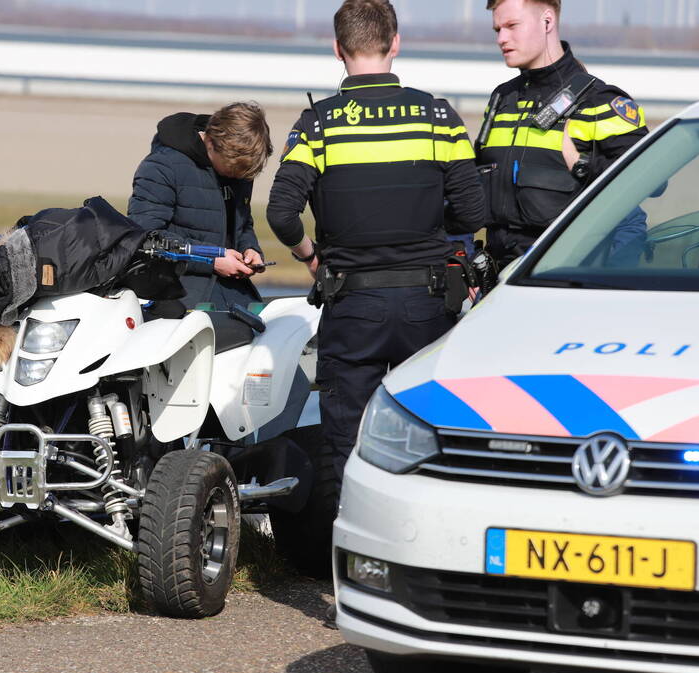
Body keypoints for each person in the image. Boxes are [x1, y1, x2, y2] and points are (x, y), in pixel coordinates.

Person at [266, 0, 485, 493]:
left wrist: (309, 256)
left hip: (352, 306)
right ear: (396, 43)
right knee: (432, 434)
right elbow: (473, 213)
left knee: (346, 440)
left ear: (338, 49)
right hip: (428, 305)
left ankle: (347, 558)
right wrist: (429, 225)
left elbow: (281, 213)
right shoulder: (437, 116)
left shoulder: (319, 124)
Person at [478, 0, 649, 269]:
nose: (502, 38)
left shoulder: (599, 102)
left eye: (512, 26)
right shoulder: (501, 98)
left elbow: (651, 180)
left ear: (548, 21)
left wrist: (582, 165)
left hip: (561, 278)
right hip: (498, 278)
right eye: (497, 29)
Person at [128, 102, 274, 310]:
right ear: (212, 144)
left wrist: (249, 249)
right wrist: (211, 260)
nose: (238, 176)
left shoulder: (239, 165)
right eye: (233, 170)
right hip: (178, 295)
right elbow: (144, 238)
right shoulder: (162, 166)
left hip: (235, 294)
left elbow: (242, 223)